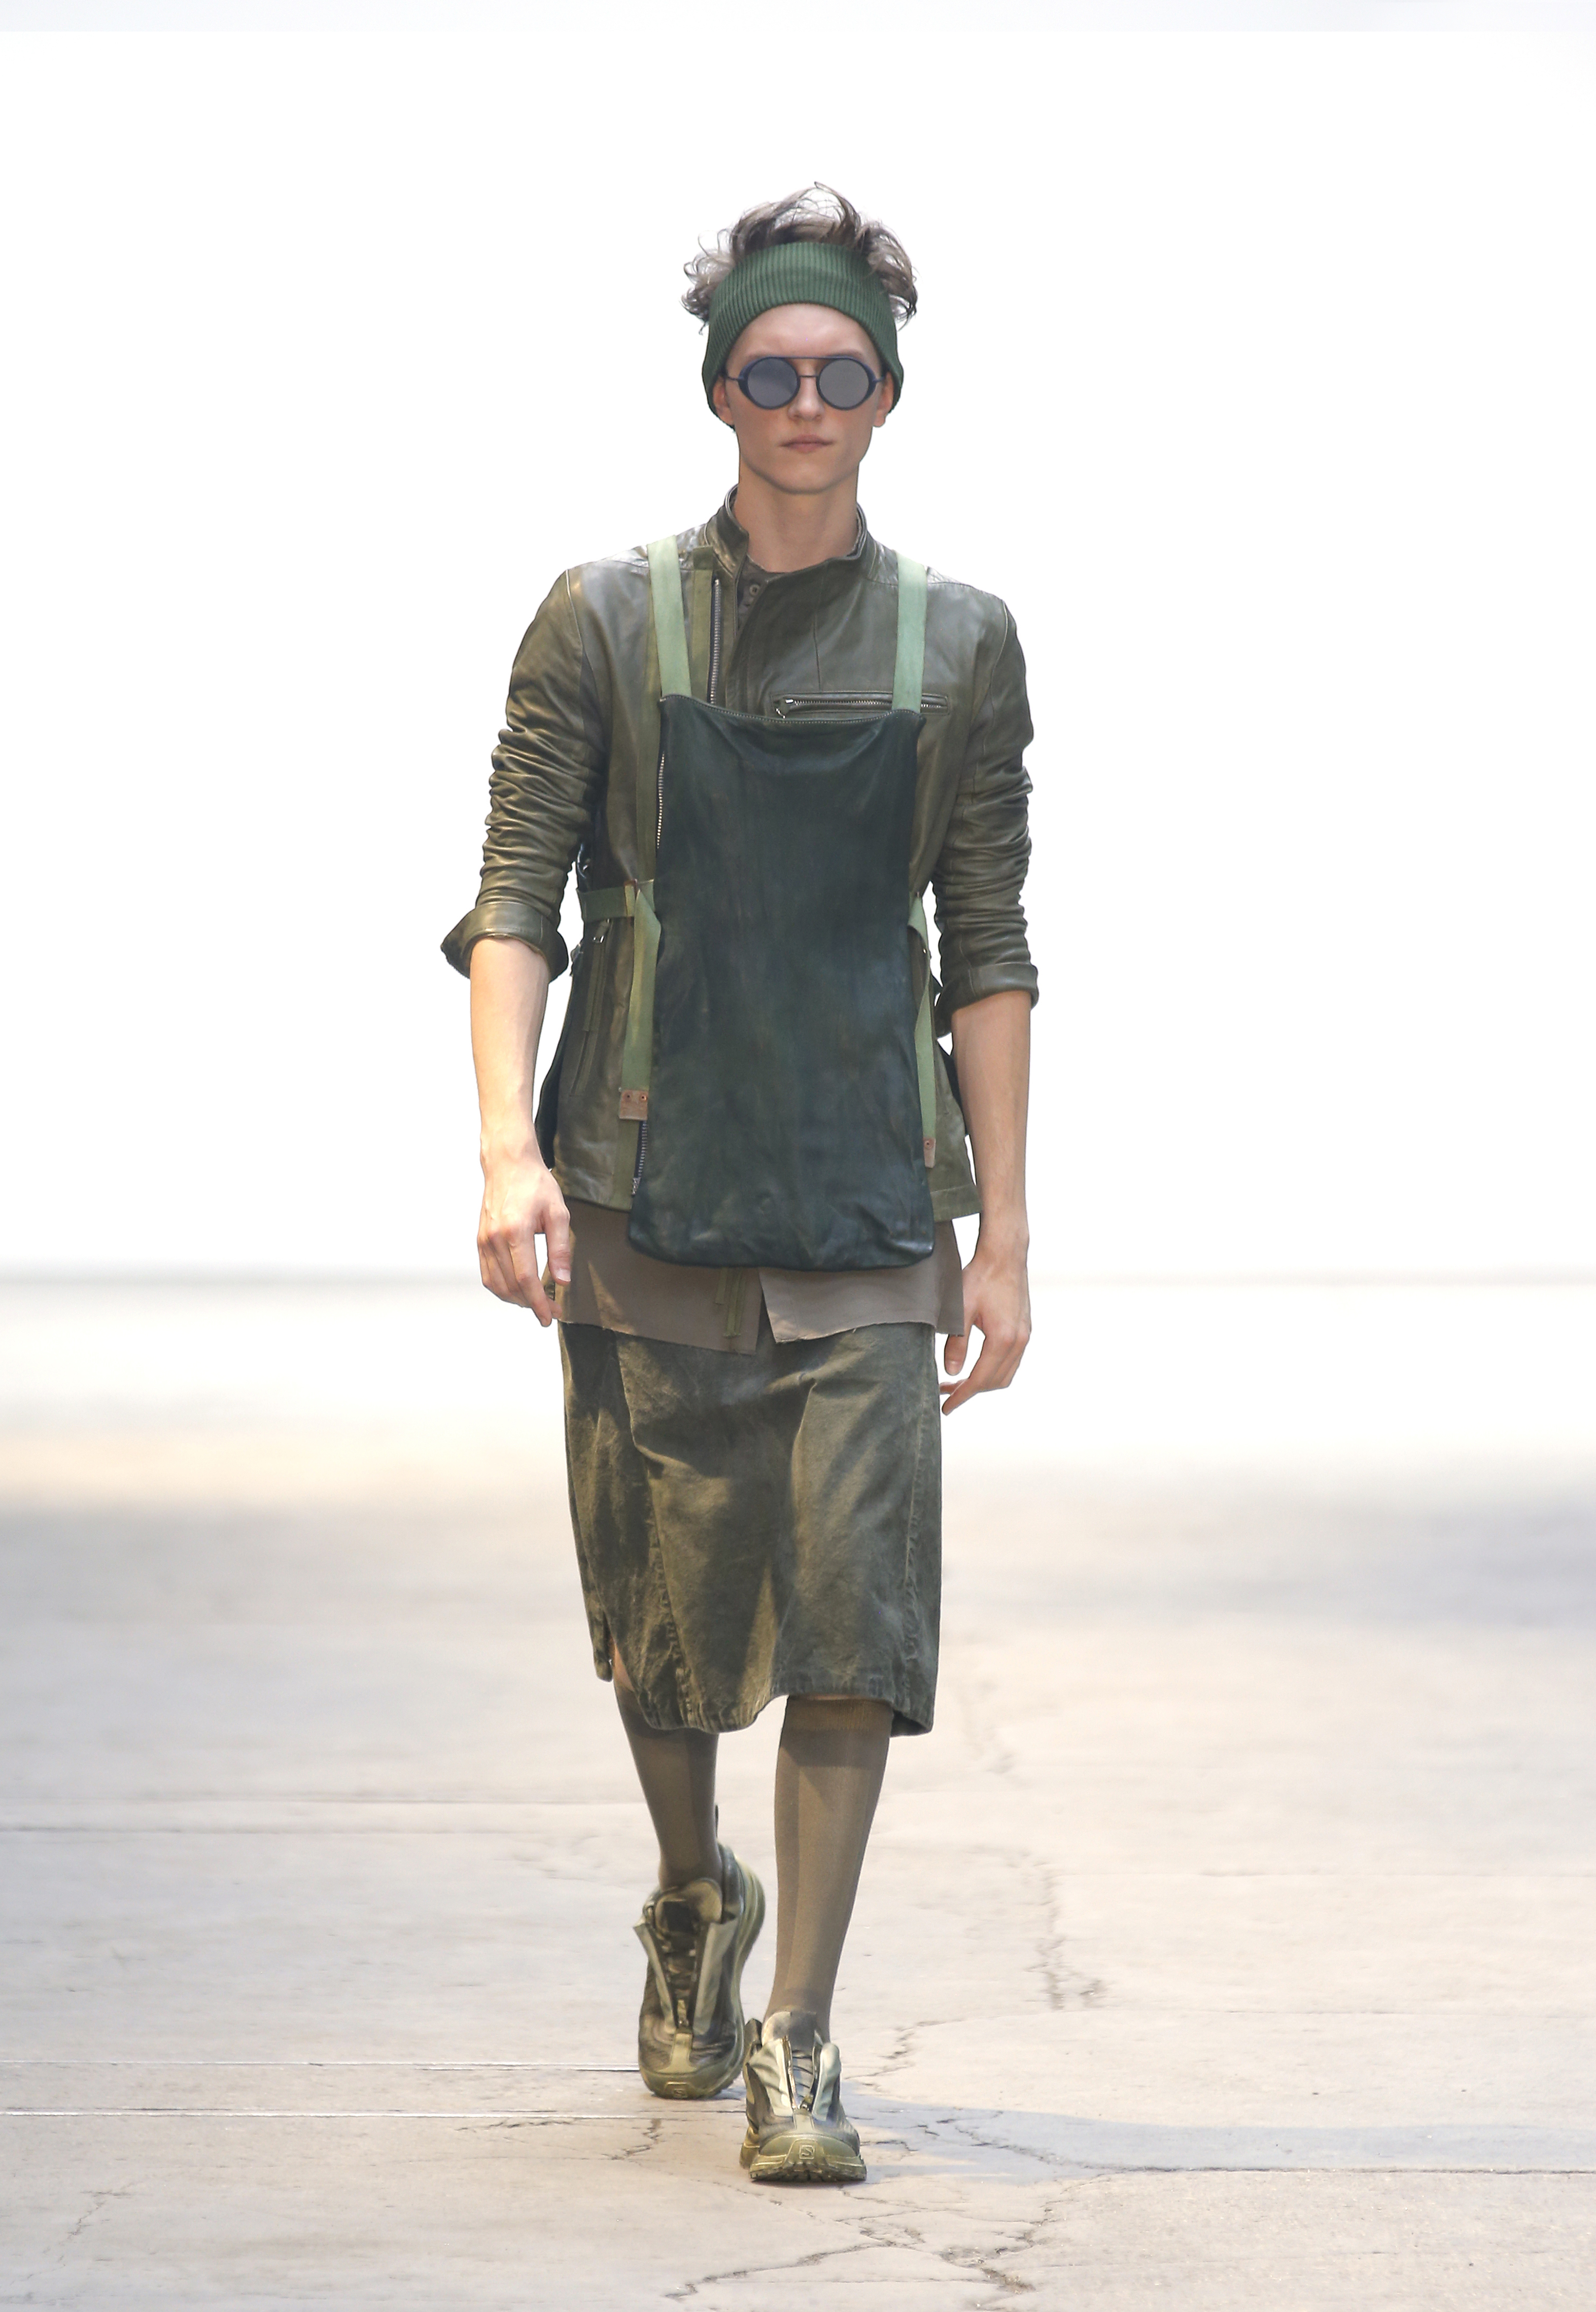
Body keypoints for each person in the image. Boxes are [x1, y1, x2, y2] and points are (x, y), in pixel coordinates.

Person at [444, 185, 1036, 2187]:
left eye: (840, 370)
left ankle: (800, 2033)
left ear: (888, 396)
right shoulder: (606, 621)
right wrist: (509, 1145)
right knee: (670, 1633)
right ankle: (696, 1891)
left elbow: (986, 941)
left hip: (869, 1206)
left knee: (860, 1623)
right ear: (718, 389)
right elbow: (515, 896)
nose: (804, 400)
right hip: (644, 1194)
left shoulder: (960, 643)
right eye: (770, 368)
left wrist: (1005, 1230)